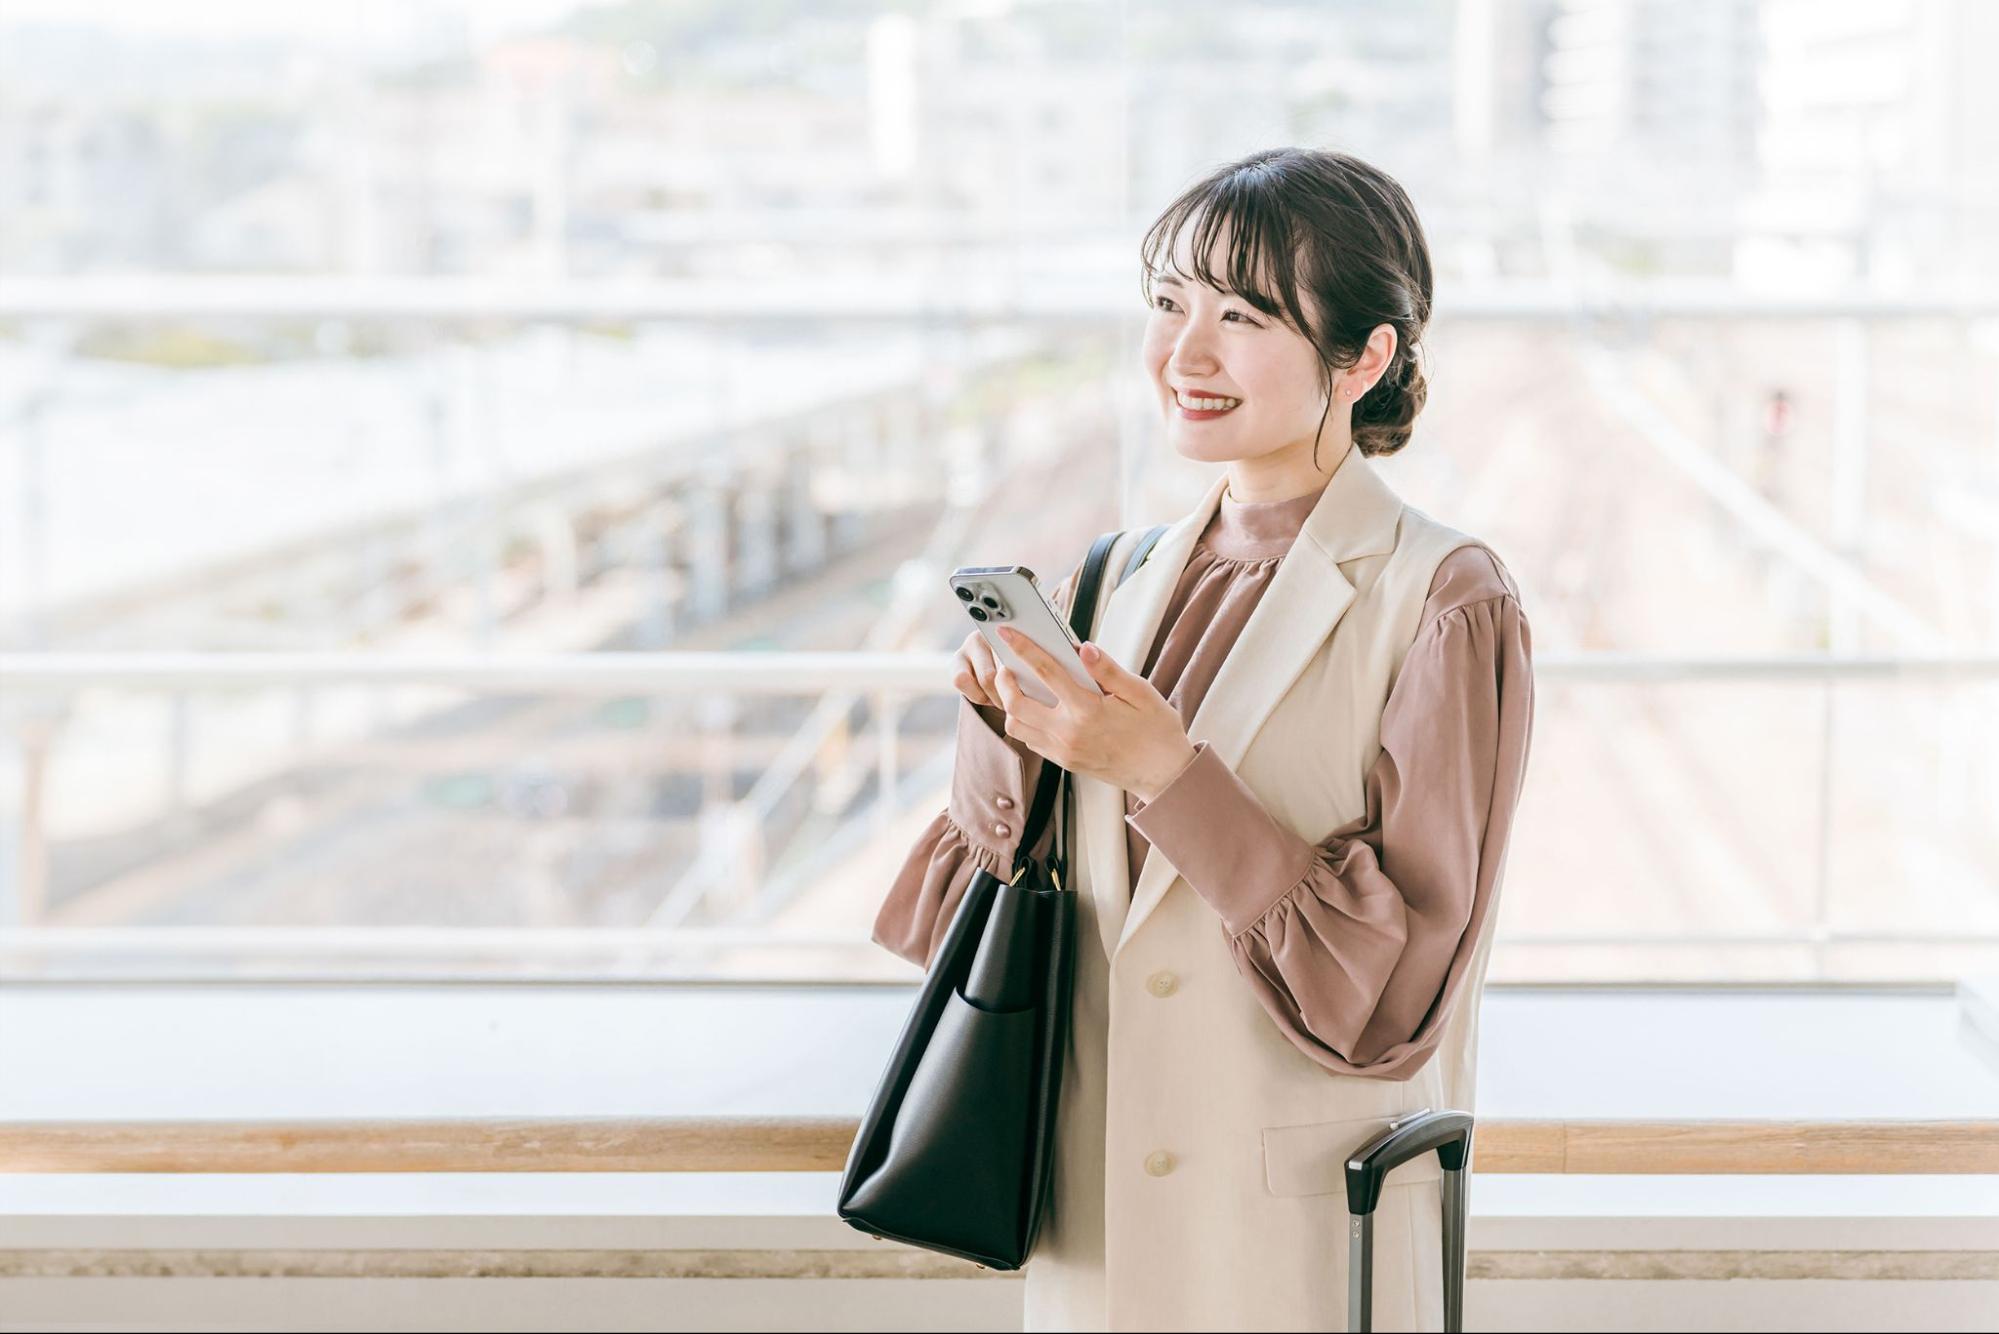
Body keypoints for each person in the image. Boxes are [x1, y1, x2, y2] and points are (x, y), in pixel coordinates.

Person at [873, 147, 1535, 1332]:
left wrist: (1165, 774)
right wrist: (1001, 721)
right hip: (1093, 1220)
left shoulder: (1444, 599)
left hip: (1295, 1236)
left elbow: (1393, 994)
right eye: (1169, 304)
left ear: (1363, 356)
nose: (1185, 353)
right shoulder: (1112, 576)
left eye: (1241, 315)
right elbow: (971, 910)